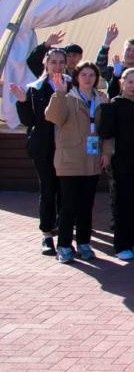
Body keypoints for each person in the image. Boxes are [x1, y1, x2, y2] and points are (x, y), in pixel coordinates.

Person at [44, 62, 110, 263]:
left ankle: (84, 243)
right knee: (69, 205)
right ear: (77, 77)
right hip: (69, 160)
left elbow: (107, 130)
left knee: (86, 205)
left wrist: (107, 152)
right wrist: (59, 93)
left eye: (92, 75)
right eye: (84, 75)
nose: (88, 79)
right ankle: (64, 246)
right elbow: (53, 117)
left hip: (92, 160)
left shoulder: (101, 99)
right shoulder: (67, 97)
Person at [11, 48, 70, 255]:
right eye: (53, 61)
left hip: (67, 148)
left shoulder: (72, 85)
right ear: (46, 63)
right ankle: (46, 234)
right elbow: (29, 120)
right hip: (44, 149)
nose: (57, 66)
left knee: (65, 192)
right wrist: (22, 101)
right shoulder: (35, 88)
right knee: (48, 190)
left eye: (61, 62)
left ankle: (65, 235)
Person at [99, 68, 134, 260]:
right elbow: (106, 132)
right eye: (130, 82)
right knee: (123, 202)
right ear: (122, 82)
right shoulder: (114, 104)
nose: (133, 86)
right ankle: (122, 244)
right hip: (122, 162)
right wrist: (105, 108)